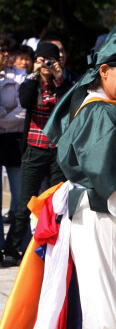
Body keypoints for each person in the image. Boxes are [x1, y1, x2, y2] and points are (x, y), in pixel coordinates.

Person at [29, 21, 116, 327]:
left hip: (94, 215)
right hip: (102, 216)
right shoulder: (100, 110)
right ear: (104, 71)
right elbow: (108, 179)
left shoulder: (96, 105)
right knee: (115, 308)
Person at [1, 42, 71, 267]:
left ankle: (55, 246)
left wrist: (60, 78)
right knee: (25, 203)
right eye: (43, 60)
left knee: (57, 203)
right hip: (34, 147)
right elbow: (25, 100)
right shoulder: (30, 83)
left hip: (58, 149)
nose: (47, 64)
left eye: (50, 60)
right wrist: (35, 74)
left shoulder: (66, 83)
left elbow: (68, 105)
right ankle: (12, 249)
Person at [0, 36, 26, 254]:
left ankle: (15, 245)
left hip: (15, 140)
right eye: (1, 51)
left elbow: (23, 110)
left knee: (19, 200)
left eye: (6, 51)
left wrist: (3, 118)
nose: (5, 55)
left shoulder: (20, 77)